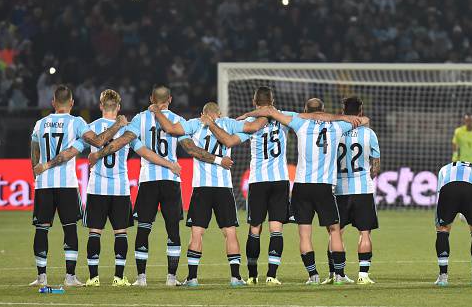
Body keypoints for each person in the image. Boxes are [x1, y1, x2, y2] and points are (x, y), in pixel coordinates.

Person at [33, 89, 181, 287]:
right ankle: (119, 277)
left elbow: (73, 150)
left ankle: (92, 278)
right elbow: (143, 151)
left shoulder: (90, 127)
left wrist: (45, 166)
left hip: (96, 188)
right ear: (119, 107)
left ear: (100, 106)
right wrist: (169, 163)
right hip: (120, 188)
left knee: (94, 232)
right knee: (121, 233)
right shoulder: (127, 129)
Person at [88, 86, 229, 287]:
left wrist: (98, 154)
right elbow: (190, 148)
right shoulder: (178, 120)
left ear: (151, 98)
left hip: (148, 181)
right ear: (170, 99)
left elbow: (122, 141)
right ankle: (171, 278)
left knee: (144, 229)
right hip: (171, 181)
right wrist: (217, 159)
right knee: (173, 230)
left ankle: (141, 278)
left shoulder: (140, 118)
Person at [239, 99, 367, 285]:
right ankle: (339, 275)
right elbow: (364, 120)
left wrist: (248, 114)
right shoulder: (338, 125)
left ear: (306, 110)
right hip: (324, 187)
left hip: (302, 187)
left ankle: (312, 275)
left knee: (304, 233)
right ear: (323, 111)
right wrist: (340, 117)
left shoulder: (299, 121)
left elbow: (270, 111)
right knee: (334, 231)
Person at [150, 101, 265, 287]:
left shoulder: (195, 124)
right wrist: (260, 111)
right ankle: (235, 277)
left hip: (201, 188)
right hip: (223, 188)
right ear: (218, 113)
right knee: (230, 233)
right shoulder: (228, 123)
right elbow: (255, 126)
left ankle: (193, 278)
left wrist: (157, 111)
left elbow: (170, 128)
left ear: (203, 113)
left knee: (197, 233)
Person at [29, 85, 126, 287]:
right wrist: (117, 125)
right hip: (66, 183)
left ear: (53, 103)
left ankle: (41, 277)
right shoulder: (76, 122)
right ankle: (70, 277)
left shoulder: (40, 123)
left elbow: (34, 151)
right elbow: (99, 141)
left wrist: (38, 170)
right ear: (72, 103)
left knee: (41, 228)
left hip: (44, 183)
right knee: (69, 228)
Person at [199, 87, 293, 285]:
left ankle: (252, 276)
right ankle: (272, 276)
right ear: (273, 100)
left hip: (258, 181)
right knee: (276, 228)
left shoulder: (249, 124)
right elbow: (306, 118)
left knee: (255, 228)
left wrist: (212, 125)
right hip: (280, 180)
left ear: (254, 102)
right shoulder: (285, 117)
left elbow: (228, 141)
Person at [322, 97, 380, 285]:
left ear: (343, 110)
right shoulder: (369, 133)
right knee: (365, 233)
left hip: (338, 189)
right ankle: (363, 275)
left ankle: (336, 274)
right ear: (361, 111)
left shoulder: (334, 131)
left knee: (335, 232)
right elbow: (375, 166)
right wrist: (367, 177)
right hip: (362, 188)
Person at [435, 161, 472, 286]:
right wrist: (467, 214)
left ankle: (443, 277)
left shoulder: (444, 169)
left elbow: (441, 191)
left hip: (448, 189)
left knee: (442, 230)